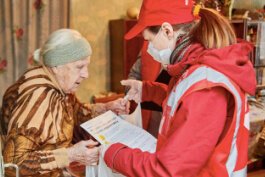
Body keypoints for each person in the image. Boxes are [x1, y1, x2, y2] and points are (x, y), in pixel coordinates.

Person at [102, 0, 257, 176]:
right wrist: (147, 91)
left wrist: (113, 154)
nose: (149, 49)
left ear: (167, 31)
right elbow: (184, 104)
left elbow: (168, 171)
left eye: (149, 41)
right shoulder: (196, 66)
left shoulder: (206, 86)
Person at [1, 29, 128, 177]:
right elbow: (14, 163)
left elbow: (75, 112)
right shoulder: (39, 97)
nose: (86, 74)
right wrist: (70, 155)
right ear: (57, 66)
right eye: (80, 67)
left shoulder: (57, 85)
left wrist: (105, 107)